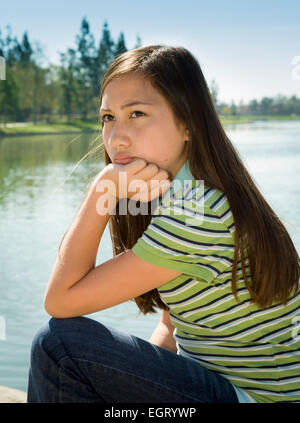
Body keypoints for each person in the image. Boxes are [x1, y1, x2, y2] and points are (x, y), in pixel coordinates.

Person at [27, 45, 300, 403]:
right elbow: (171, 327)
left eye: (136, 113)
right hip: (225, 388)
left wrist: (100, 193)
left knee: (57, 347)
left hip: (258, 398)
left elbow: (60, 302)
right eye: (108, 117)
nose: (116, 137)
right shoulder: (185, 192)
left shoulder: (196, 214)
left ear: (188, 123)